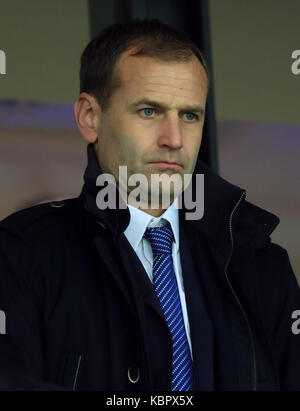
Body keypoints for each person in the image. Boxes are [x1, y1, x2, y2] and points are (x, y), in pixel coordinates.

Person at [0, 18, 299, 391]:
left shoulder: (260, 265)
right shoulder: (20, 254)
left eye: (190, 115)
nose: (174, 139)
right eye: (149, 111)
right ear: (89, 118)